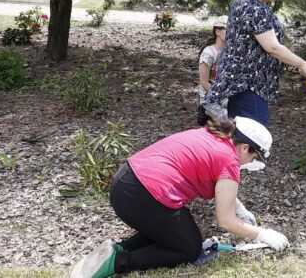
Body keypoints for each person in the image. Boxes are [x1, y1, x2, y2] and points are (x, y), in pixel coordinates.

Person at [69, 117, 289, 278]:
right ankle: (119, 262)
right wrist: (263, 234)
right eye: (254, 156)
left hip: (125, 182)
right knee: (189, 247)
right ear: (244, 147)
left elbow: (219, 188)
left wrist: (239, 209)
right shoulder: (229, 161)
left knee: (176, 232)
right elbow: (225, 221)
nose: (251, 161)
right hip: (143, 196)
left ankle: (117, 249)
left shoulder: (212, 137)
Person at [202, 0, 306, 126]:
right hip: (249, 86)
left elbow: (258, 42)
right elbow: (272, 47)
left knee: (241, 138)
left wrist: (288, 57)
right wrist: (302, 64)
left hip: (240, 82)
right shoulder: (254, 8)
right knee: (253, 140)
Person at [197, 16, 228, 126]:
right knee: (224, 124)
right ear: (218, 31)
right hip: (209, 99)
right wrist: (221, 97)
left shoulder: (229, 52)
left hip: (225, 97)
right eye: (228, 29)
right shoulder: (209, 53)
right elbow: (204, 82)